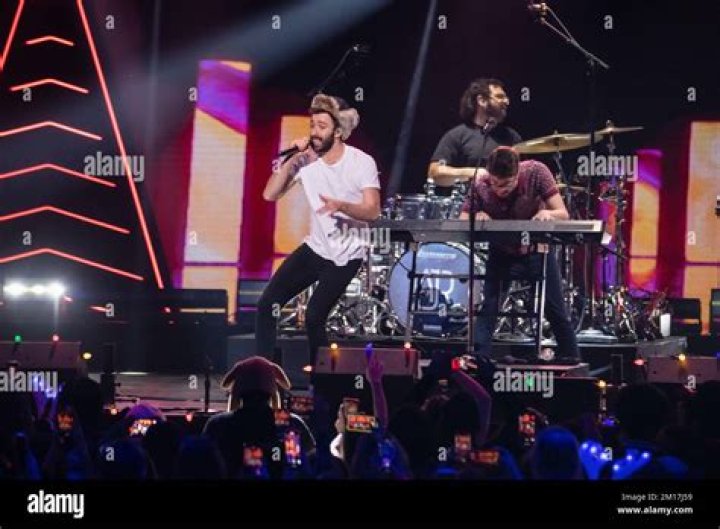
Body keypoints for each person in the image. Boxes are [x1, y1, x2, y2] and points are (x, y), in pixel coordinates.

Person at [258, 94, 381, 368]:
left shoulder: (361, 162)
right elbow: (269, 194)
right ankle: (263, 376)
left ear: (338, 131)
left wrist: (341, 205)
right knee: (267, 304)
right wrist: (293, 160)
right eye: (312, 125)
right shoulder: (306, 162)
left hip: (347, 253)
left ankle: (323, 381)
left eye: (322, 126)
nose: (315, 132)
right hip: (316, 248)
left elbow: (373, 210)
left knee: (314, 317)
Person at [460, 146, 579, 360]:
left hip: (536, 250)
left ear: (517, 174)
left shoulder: (536, 172)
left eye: (506, 184)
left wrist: (548, 213)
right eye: (495, 183)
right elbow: (463, 218)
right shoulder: (481, 183)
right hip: (501, 252)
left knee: (555, 308)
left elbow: (563, 214)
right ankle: (478, 358)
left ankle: (572, 358)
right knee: (489, 306)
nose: (500, 190)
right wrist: (477, 215)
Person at [428, 78, 521, 186]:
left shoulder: (512, 137)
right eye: (499, 97)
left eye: (506, 97)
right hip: (467, 196)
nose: (506, 101)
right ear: (481, 100)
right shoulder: (456, 135)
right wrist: (474, 173)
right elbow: (434, 173)